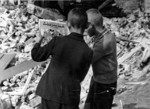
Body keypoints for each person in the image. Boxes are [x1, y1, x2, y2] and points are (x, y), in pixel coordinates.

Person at [31, 7, 93, 109]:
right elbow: (81, 77)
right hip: (70, 97)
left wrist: (38, 41)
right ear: (86, 26)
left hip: (49, 92)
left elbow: (36, 55)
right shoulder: (88, 52)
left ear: (68, 24)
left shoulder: (57, 41)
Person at [84, 8, 118, 109]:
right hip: (99, 78)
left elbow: (86, 60)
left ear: (91, 25)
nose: (85, 30)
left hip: (104, 84)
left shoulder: (103, 43)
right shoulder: (105, 34)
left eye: (86, 26)